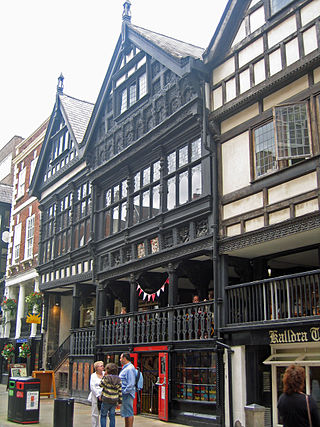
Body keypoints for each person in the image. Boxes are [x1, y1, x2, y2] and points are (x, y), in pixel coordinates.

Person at [100, 363, 122, 427]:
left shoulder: (106, 378)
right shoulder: (119, 379)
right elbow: (120, 391)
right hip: (114, 400)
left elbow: (100, 384)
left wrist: (104, 377)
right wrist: (120, 401)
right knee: (112, 416)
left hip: (106, 399)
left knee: (103, 415)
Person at [119, 353, 136, 427]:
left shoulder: (129, 369)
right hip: (125, 393)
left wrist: (125, 391)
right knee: (126, 412)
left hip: (127, 394)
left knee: (129, 412)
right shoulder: (126, 368)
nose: (120, 360)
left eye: (121, 358)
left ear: (125, 358)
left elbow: (131, 383)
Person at [88, 361, 104, 427]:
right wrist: (98, 395)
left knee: (103, 413)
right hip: (95, 395)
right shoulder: (93, 376)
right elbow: (92, 386)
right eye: (101, 366)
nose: (103, 367)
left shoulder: (105, 374)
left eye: (103, 365)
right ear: (96, 368)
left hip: (104, 395)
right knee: (95, 412)